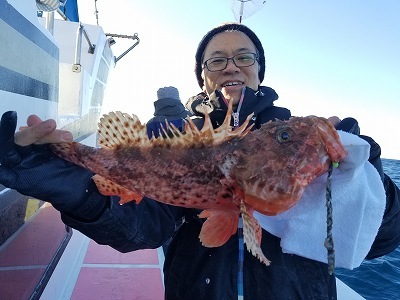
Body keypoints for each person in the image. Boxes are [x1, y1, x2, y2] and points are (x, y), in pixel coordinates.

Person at [1, 22, 399, 299]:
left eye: (245, 56)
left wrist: (365, 180)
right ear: (202, 75)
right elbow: (142, 230)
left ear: (259, 69)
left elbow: (379, 241)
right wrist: (72, 190)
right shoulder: (172, 140)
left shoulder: (299, 144)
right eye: (216, 60)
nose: (231, 65)